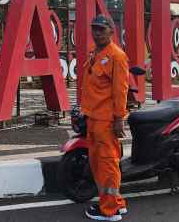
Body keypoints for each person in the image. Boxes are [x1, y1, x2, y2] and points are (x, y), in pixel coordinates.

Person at [80, 15, 129, 221]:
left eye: (101, 29)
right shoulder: (95, 53)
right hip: (93, 116)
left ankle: (110, 211)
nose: (97, 33)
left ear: (112, 31)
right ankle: (116, 202)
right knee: (98, 163)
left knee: (107, 163)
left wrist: (119, 119)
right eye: (94, 29)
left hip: (106, 120)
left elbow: (120, 91)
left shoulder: (117, 56)